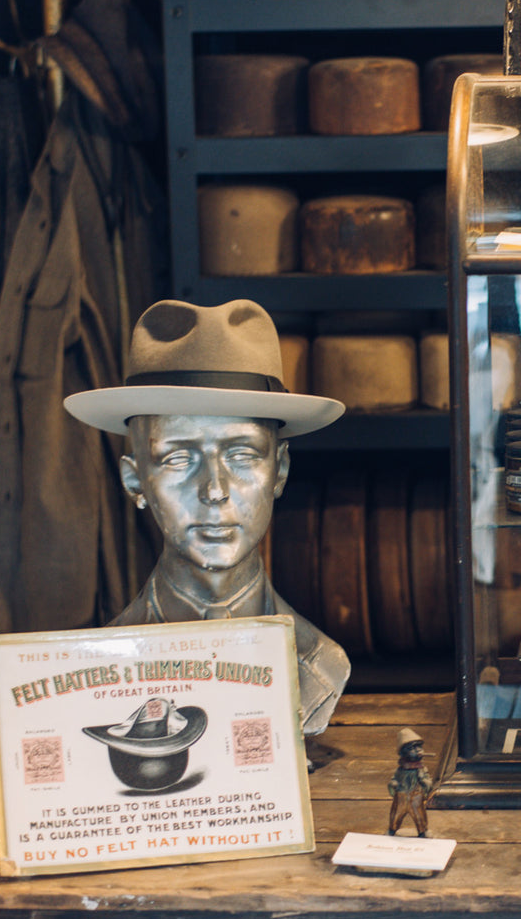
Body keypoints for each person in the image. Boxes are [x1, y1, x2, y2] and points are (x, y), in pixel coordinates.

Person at [65, 299, 351, 735]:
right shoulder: (94, 672)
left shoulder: (321, 664)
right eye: (179, 458)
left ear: (280, 472)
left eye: (242, 454)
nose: (215, 491)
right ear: (135, 480)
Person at [387, 728, 434, 836]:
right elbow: (394, 779)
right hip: (401, 797)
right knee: (396, 815)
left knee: (419, 816)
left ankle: (422, 831)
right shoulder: (401, 770)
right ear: (403, 752)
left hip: (416, 797)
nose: (417, 750)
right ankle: (392, 830)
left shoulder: (421, 769)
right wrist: (393, 784)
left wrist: (423, 779)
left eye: (419, 747)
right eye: (412, 748)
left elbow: (428, 784)